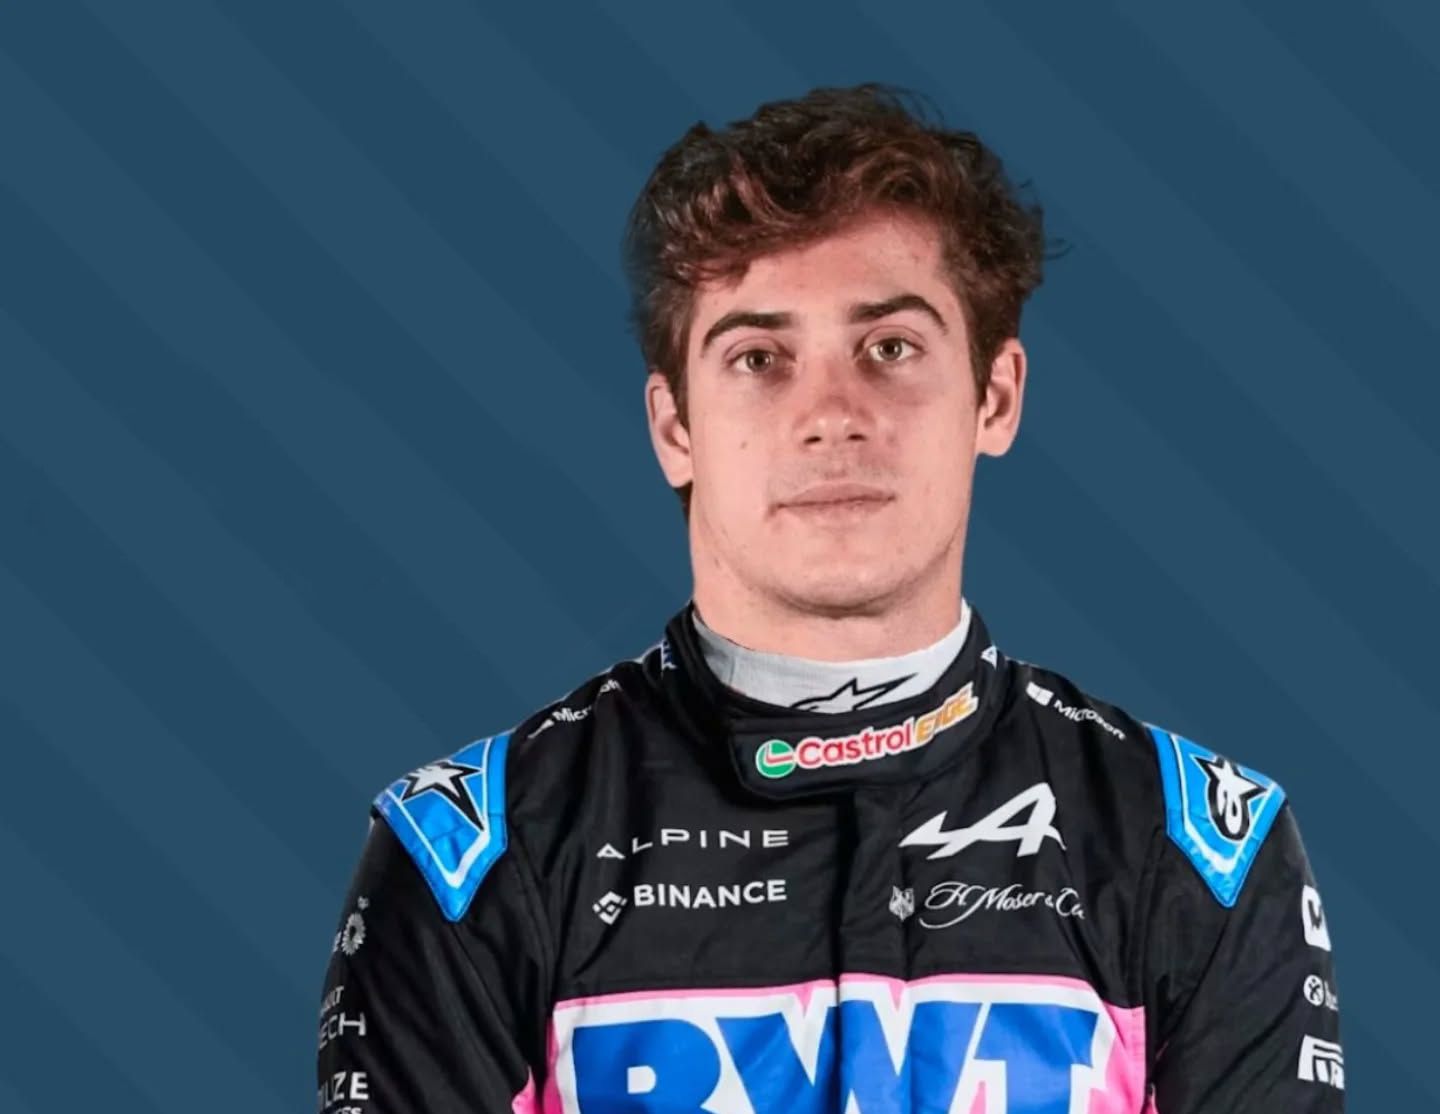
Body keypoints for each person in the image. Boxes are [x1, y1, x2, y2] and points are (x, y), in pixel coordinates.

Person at [316, 84, 1344, 1113]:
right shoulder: (471, 855)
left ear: (994, 396)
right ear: (676, 428)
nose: (830, 415)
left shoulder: (1198, 847)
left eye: (889, 347)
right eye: (759, 358)